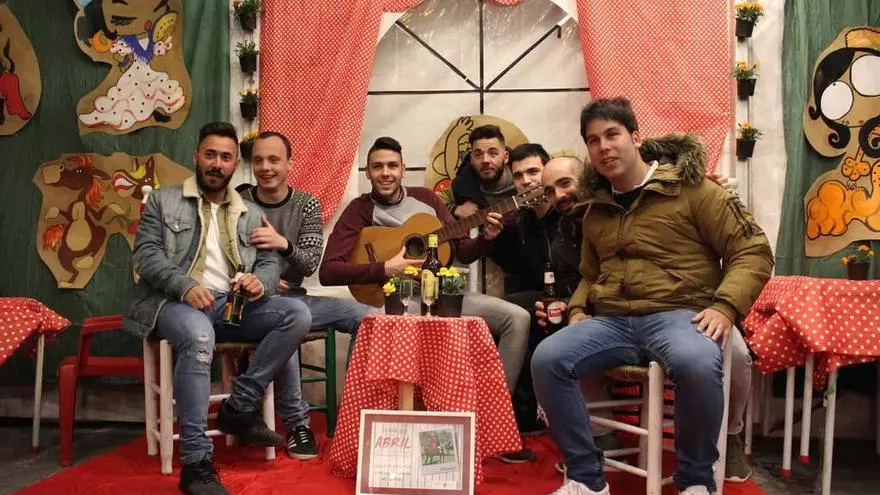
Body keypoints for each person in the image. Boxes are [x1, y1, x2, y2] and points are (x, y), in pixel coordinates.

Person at [531, 98, 773, 495]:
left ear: (636, 137)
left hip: (678, 313)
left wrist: (725, 306)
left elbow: (753, 250)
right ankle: (587, 480)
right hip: (612, 320)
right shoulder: (596, 208)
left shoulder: (693, 189)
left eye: (612, 134)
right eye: (593, 140)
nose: (604, 147)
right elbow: (591, 274)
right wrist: (576, 309)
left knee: (698, 361)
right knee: (547, 358)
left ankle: (696, 482)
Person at [123, 122, 312, 495]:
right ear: (196, 156)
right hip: (174, 303)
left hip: (230, 305)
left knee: (297, 314)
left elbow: (268, 262)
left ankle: (238, 406)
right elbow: (146, 255)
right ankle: (196, 462)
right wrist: (185, 285)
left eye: (226, 157)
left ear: (235, 165)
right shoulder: (164, 201)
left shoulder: (249, 212)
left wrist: (261, 282)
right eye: (210, 155)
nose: (217, 164)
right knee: (198, 335)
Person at [318, 135, 531, 395]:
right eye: (377, 166)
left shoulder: (427, 199)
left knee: (517, 318)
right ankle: (363, 408)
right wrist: (385, 268)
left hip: (443, 298)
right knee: (371, 325)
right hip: (395, 302)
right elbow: (328, 272)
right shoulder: (359, 209)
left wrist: (486, 238)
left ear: (403, 170)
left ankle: (496, 404)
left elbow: (463, 252)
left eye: (392, 166)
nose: (385, 173)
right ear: (368, 173)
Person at [235, 131, 377, 460]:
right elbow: (228, 255)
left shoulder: (307, 203)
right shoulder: (239, 200)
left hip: (298, 297)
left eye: (274, 160)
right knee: (285, 320)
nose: (266, 167)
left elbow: (311, 263)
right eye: (258, 160)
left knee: (367, 316)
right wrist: (264, 280)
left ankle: (357, 412)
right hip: (253, 300)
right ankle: (298, 424)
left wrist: (282, 243)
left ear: (290, 164)